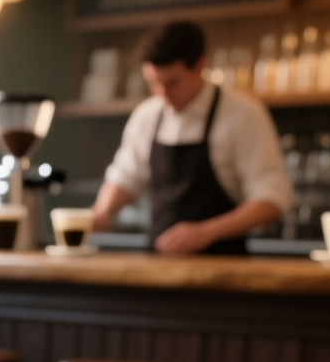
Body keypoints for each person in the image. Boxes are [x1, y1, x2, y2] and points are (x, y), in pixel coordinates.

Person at [90, 22, 290, 255]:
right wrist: (102, 211)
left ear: (200, 66)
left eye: (172, 83)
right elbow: (126, 176)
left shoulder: (243, 113)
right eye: (153, 83)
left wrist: (207, 231)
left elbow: (272, 199)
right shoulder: (147, 115)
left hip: (223, 267)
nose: (162, 94)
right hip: (156, 261)